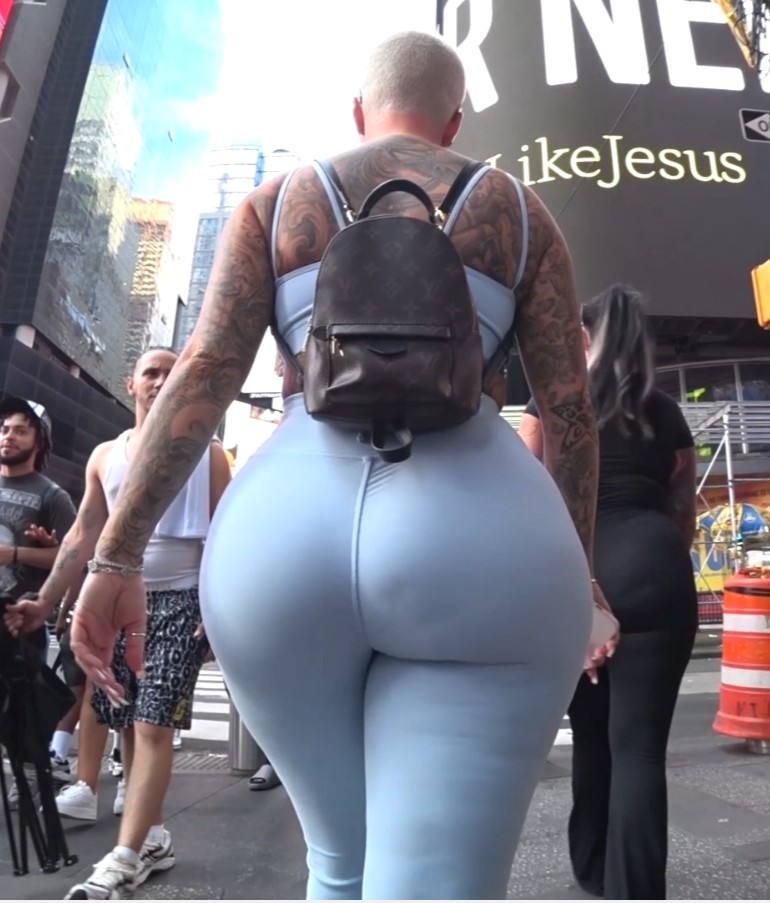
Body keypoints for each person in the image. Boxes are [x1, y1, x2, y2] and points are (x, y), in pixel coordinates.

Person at [64, 31, 613, 901]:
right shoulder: (517, 210)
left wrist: (114, 559)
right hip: (478, 533)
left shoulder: (277, 203)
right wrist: (578, 577)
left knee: (338, 863)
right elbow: (569, 414)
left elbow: (204, 375)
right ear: (455, 121)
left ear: (359, 111)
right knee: (435, 882)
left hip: (283, 534)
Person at [4, 347, 231, 898]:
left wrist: (215, 607)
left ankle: (126, 855)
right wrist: (47, 602)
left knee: (153, 724)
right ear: (131, 383)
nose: (161, 380)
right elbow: (83, 533)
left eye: (171, 372)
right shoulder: (106, 455)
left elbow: (226, 535)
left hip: (179, 600)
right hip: (114, 603)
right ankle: (153, 835)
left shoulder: (210, 454)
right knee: (125, 720)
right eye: (151, 372)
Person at [518, 284, 698, 899]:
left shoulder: (551, 403)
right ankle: (636, 889)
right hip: (657, 567)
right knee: (640, 750)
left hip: (580, 572)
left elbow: (526, 498)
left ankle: (591, 868)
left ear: (582, 338)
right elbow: (682, 510)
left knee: (591, 735)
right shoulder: (664, 412)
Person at [0, 396, 77, 803]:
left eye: (20, 430)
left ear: (39, 440)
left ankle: (30, 775)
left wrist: (16, 554)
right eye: (4, 429)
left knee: (22, 707)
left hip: (19, 617)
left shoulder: (53, 497)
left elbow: (73, 557)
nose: (8, 436)